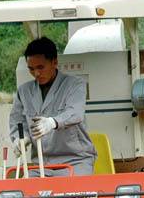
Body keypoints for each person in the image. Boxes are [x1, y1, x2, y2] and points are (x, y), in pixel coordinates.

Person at [9, 36, 96, 176]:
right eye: (31, 69)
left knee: (72, 189)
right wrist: (21, 138)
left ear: (54, 62)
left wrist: (52, 122)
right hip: (41, 164)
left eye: (40, 67)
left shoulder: (75, 85)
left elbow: (76, 113)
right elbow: (17, 121)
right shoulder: (24, 91)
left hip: (75, 161)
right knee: (26, 188)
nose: (36, 73)